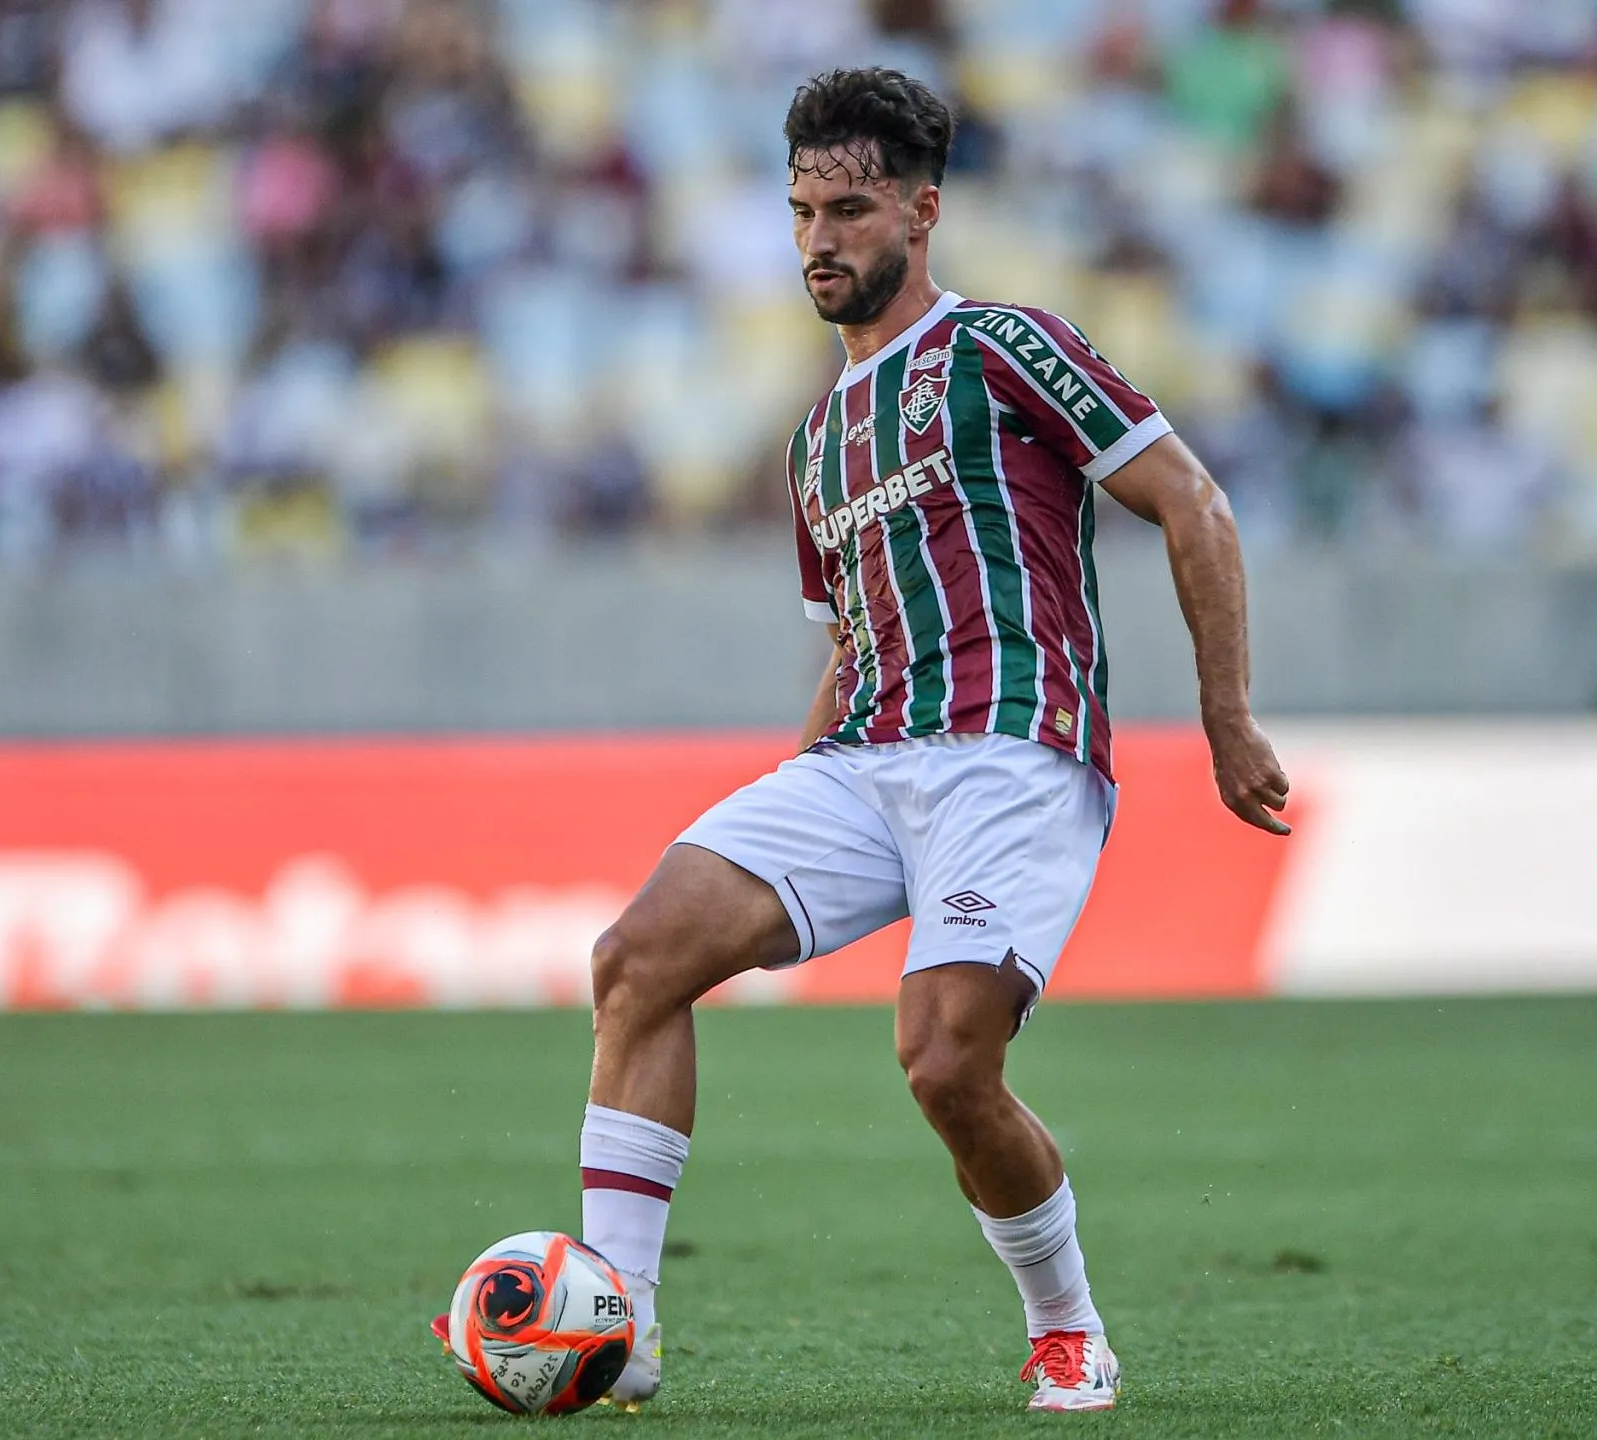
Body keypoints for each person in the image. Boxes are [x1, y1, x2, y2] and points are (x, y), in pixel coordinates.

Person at [436, 65, 1289, 1413]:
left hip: (1010, 750)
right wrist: (796, 789)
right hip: (861, 760)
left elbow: (1193, 502)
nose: (819, 241)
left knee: (947, 1062)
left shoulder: (1005, 347)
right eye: (801, 213)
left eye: (849, 210)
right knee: (638, 958)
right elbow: (850, 638)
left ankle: (1067, 1326)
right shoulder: (818, 438)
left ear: (921, 211)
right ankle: (624, 1324)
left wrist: (1227, 720)